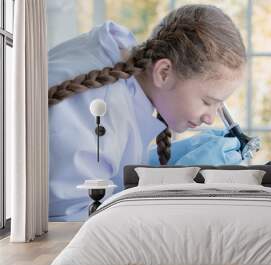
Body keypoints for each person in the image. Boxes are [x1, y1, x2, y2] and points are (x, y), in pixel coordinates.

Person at [48, 4, 246, 221]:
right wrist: (172, 191)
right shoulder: (97, 106)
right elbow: (75, 225)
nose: (210, 118)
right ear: (164, 73)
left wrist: (151, 172)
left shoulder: (124, 63)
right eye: (207, 101)